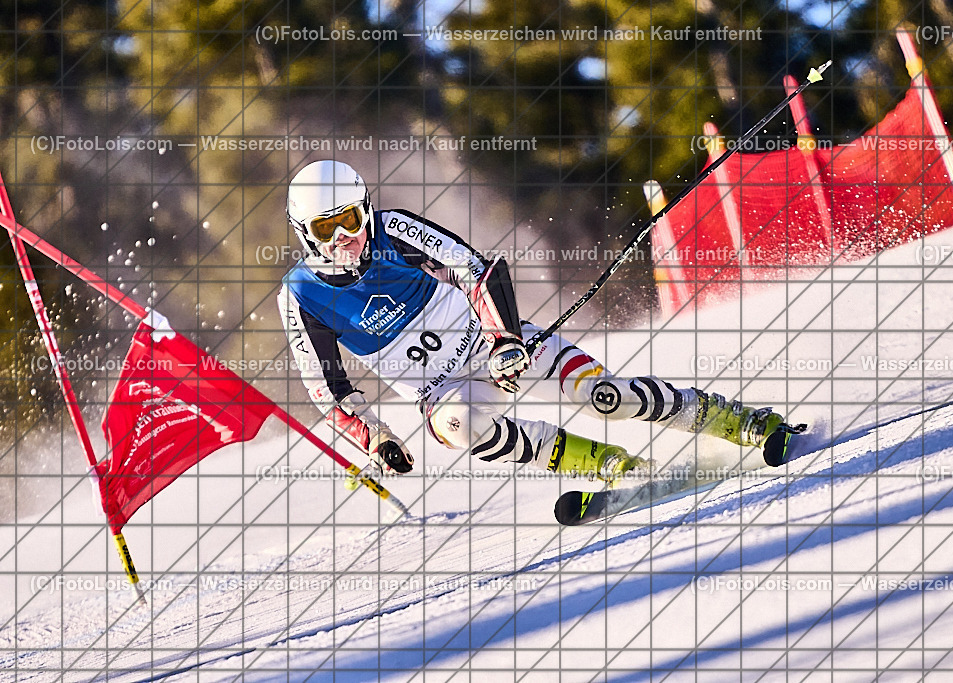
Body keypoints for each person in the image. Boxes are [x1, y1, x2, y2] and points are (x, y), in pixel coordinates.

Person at [278, 160, 800, 484]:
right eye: (327, 226)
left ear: (365, 211)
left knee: (605, 398)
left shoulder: (394, 230)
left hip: (491, 345)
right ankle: (604, 465)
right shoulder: (301, 296)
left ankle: (735, 420)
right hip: (444, 390)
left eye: (349, 219)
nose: (343, 236)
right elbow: (327, 390)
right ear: (305, 233)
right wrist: (376, 437)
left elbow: (474, 268)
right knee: (460, 427)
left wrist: (504, 338)